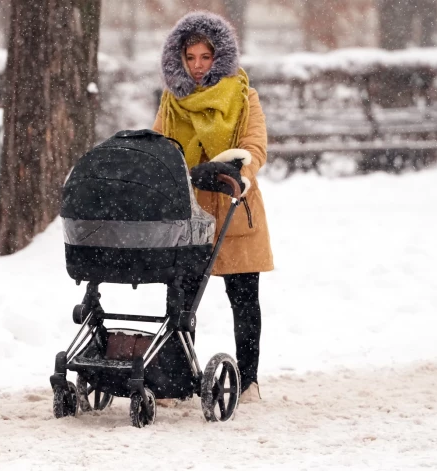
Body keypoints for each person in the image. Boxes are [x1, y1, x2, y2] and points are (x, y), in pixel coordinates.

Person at [152, 11, 274, 403]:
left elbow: (255, 146)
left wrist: (235, 169)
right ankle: (177, 377)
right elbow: (161, 146)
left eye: (206, 57)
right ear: (180, 58)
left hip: (236, 204)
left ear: (219, 56)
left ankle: (250, 380)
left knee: (244, 299)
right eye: (191, 58)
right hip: (190, 211)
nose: (199, 66)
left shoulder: (242, 96)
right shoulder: (173, 101)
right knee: (182, 300)